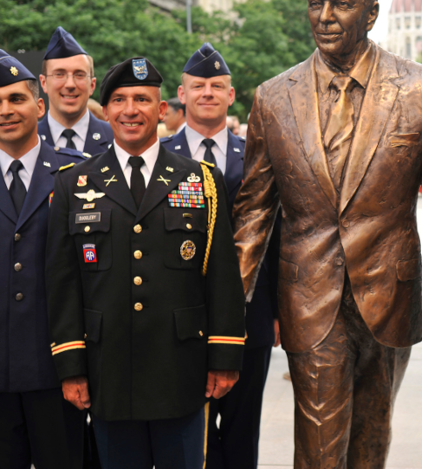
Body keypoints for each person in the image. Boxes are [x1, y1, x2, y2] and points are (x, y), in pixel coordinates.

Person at [232, 0, 422, 467]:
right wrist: (229, 294)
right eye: (315, 3)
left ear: (370, 14)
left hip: (390, 291)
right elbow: (255, 209)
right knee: (321, 445)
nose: (324, 15)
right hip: (310, 293)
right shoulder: (273, 98)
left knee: (372, 440)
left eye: (341, 4)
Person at [45, 57, 246, 469]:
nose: (130, 109)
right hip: (108, 372)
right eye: (119, 100)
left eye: (142, 99)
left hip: (182, 369)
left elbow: (223, 276)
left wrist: (224, 357)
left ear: (161, 110)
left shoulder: (200, 179)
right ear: (106, 111)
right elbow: (63, 282)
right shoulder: (74, 182)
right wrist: (70, 365)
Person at [161, 42, 281, 469]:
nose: (207, 92)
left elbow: (278, 236)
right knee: (183, 430)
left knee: (241, 429)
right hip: (177, 317)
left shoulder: (259, 156)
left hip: (252, 312)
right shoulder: (157, 157)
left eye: (217, 86)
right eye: (198, 86)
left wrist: (280, 310)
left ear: (232, 96)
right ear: (183, 94)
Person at [0, 50, 87, 469]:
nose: (5, 110)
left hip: (57, 373)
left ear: (39, 105)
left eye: (16, 99)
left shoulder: (80, 176)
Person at [38, 27, 113, 155]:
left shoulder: (118, 139)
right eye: (59, 74)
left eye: (79, 75)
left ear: (92, 85)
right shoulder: (25, 140)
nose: (70, 84)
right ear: (44, 83)